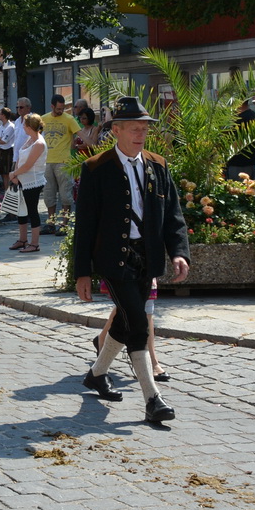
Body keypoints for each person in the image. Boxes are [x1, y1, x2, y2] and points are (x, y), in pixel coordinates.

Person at [72, 95, 190, 425]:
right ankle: (153, 399)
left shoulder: (158, 164)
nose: (140, 134)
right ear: (117, 131)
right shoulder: (96, 168)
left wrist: (179, 252)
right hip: (113, 259)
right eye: (134, 129)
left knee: (126, 321)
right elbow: (85, 224)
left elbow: (173, 216)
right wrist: (82, 272)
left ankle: (97, 374)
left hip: (147, 257)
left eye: (144, 129)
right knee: (138, 323)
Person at [6, 113, 46, 252]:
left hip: (33, 181)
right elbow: (20, 158)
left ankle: (34, 244)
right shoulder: (29, 139)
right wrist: (15, 174)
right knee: (21, 211)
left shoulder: (39, 143)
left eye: (24, 124)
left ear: (29, 127)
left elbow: (29, 164)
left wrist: (14, 173)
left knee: (32, 211)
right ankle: (23, 239)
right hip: (22, 179)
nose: (22, 126)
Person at [40, 95, 77, 234]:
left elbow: (78, 134)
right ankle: (51, 223)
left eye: (63, 108)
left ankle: (64, 224)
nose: (61, 111)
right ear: (52, 106)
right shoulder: (44, 119)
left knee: (65, 194)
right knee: (49, 194)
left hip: (63, 162)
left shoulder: (69, 119)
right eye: (59, 108)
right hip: (47, 161)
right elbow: (36, 136)